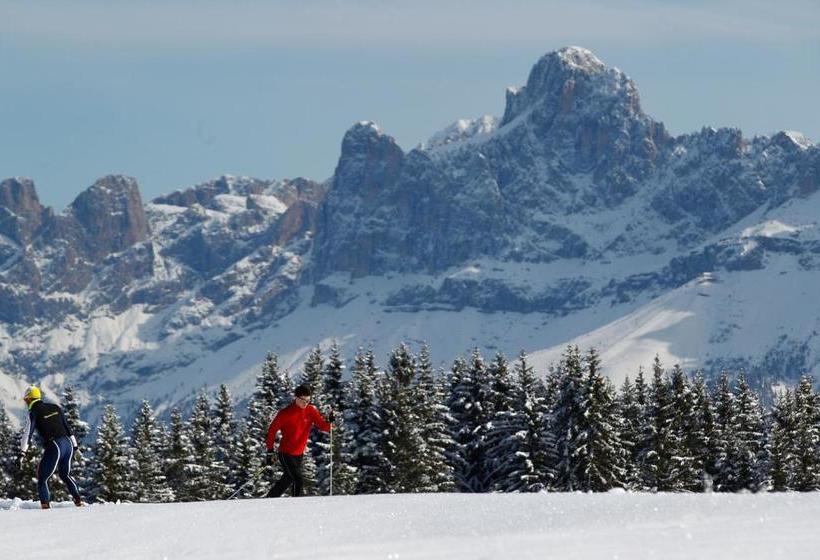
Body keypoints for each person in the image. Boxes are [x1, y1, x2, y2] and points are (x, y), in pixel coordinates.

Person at [20, 386, 84, 509]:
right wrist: (75, 447)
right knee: (66, 475)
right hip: (68, 444)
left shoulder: (33, 412)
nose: (26, 403)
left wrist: (22, 452)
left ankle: (45, 507)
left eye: (26, 400)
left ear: (29, 399)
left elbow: (28, 433)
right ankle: (78, 501)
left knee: (42, 477)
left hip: (55, 445)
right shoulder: (55, 407)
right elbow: (68, 428)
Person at [265, 384, 332, 497]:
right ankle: (297, 507)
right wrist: (270, 451)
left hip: (299, 454)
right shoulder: (285, 413)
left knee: (287, 479)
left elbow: (323, 426)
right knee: (298, 480)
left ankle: (270, 498)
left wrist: (330, 422)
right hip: (285, 453)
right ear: (296, 397)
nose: (305, 403)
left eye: (308, 400)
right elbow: (272, 431)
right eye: (303, 400)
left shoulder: (311, 410)